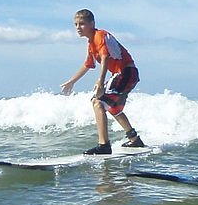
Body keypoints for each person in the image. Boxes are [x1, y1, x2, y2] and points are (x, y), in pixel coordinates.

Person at [61, 9, 144, 155]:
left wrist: (100, 81)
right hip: (126, 74)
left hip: (125, 72)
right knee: (113, 108)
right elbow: (88, 64)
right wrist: (72, 81)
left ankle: (104, 145)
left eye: (82, 24)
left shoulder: (100, 35)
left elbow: (105, 58)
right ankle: (134, 139)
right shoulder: (91, 43)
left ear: (92, 23)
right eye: (75, 24)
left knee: (97, 102)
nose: (78, 28)